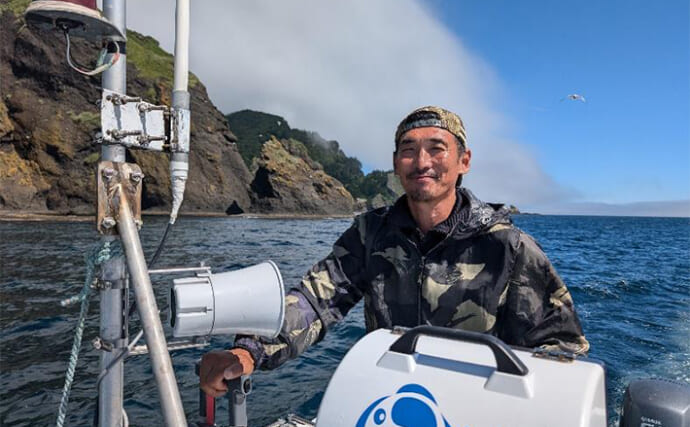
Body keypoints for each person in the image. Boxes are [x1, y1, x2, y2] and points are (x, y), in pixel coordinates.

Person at [200, 106, 589, 397]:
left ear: (463, 162)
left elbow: (561, 350)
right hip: (392, 400)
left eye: (437, 149)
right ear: (395, 163)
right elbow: (317, 299)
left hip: (478, 407)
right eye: (409, 150)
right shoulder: (371, 234)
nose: (422, 162)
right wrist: (248, 352)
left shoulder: (507, 246)